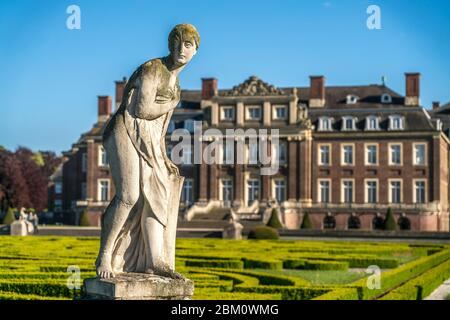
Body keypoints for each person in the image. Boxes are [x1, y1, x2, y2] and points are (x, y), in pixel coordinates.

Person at [95, 24, 200, 279]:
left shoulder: (176, 86)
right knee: (129, 195)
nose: (180, 49)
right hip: (124, 128)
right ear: (169, 45)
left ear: (196, 50)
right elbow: (141, 110)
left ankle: (155, 260)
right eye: (176, 43)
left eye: (187, 45)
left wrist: (162, 157)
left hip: (149, 138)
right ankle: (105, 255)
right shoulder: (154, 69)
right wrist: (171, 105)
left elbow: (160, 129)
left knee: (157, 194)